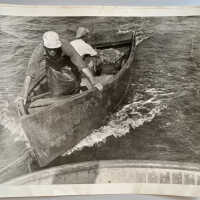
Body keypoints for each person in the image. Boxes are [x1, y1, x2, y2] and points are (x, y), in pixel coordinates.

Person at [17, 31, 103, 107]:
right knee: (57, 92)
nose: (52, 51)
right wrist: (23, 95)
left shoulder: (65, 46)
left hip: (68, 64)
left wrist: (94, 82)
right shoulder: (39, 50)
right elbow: (29, 74)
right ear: (45, 46)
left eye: (55, 49)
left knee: (74, 84)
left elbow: (82, 65)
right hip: (53, 66)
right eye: (50, 49)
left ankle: (77, 95)